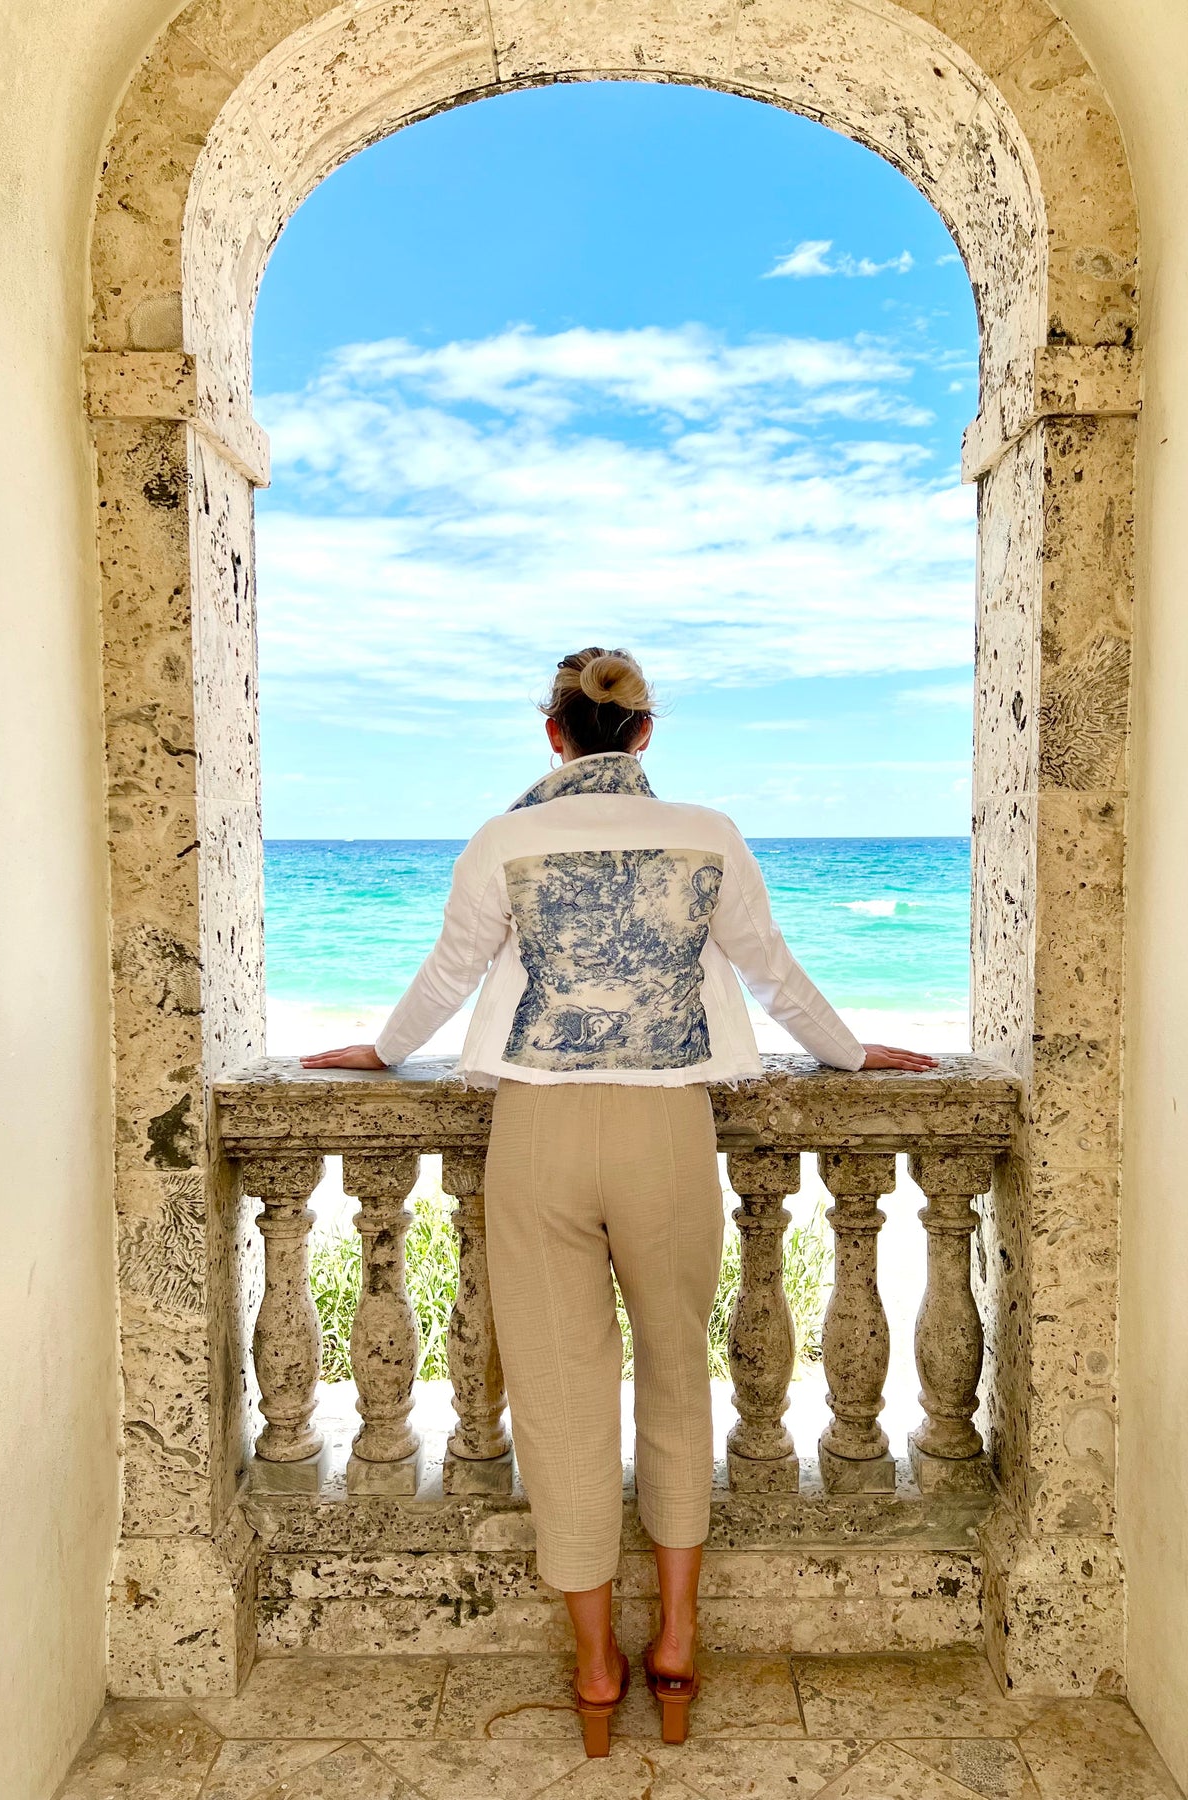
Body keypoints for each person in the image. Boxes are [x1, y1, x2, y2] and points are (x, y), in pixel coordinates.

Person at [301, 647, 937, 1756]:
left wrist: (381, 1049)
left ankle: (596, 1668)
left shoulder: (503, 840)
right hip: (667, 1132)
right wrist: (850, 1052)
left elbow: (449, 973)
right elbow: (772, 970)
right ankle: (677, 1645)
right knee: (679, 1377)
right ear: (644, 732)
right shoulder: (709, 834)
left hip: (538, 1133)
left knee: (560, 1398)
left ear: (554, 733)